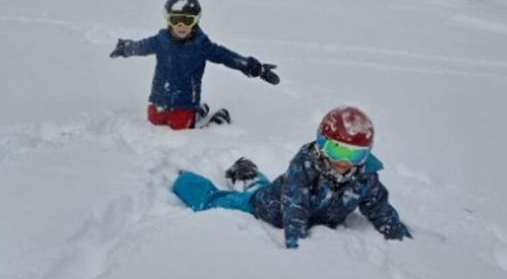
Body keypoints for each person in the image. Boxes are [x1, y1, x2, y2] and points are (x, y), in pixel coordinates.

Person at [171, 106, 411, 248]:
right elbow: (295, 209)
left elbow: (380, 209)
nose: (344, 161)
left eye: (355, 154)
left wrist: (400, 238)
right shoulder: (305, 166)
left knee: (266, 188)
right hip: (268, 209)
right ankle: (185, 179)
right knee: (219, 202)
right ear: (322, 145)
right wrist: (297, 248)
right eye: (337, 150)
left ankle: (247, 174)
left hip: (291, 200)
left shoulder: (365, 178)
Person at [109, 0, 280, 129]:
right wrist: (126, 48)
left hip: (184, 102)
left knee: (180, 126)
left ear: (196, 21)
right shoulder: (161, 41)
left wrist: (254, 68)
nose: (181, 26)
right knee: (154, 119)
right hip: (159, 101)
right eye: (176, 20)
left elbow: (226, 57)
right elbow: (141, 47)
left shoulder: (201, 46)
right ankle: (200, 110)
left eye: (187, 20)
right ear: (168, 20)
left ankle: (210, 118)